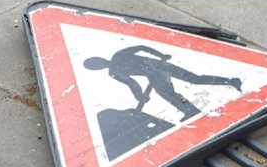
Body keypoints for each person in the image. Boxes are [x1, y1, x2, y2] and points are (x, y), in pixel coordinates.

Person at [85, 46, 243, 120]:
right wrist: (140, 97)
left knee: (192, 81)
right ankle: (190, 109)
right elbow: (132, 83)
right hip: (156, 73)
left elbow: (141, 47)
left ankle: (230, 81)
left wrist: (161, 54)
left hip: (159, 68)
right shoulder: (114, 71)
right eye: (95, 66)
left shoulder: (118, 55)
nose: (99, 65)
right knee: (178, 91)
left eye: (96, 63)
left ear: (99, 60)